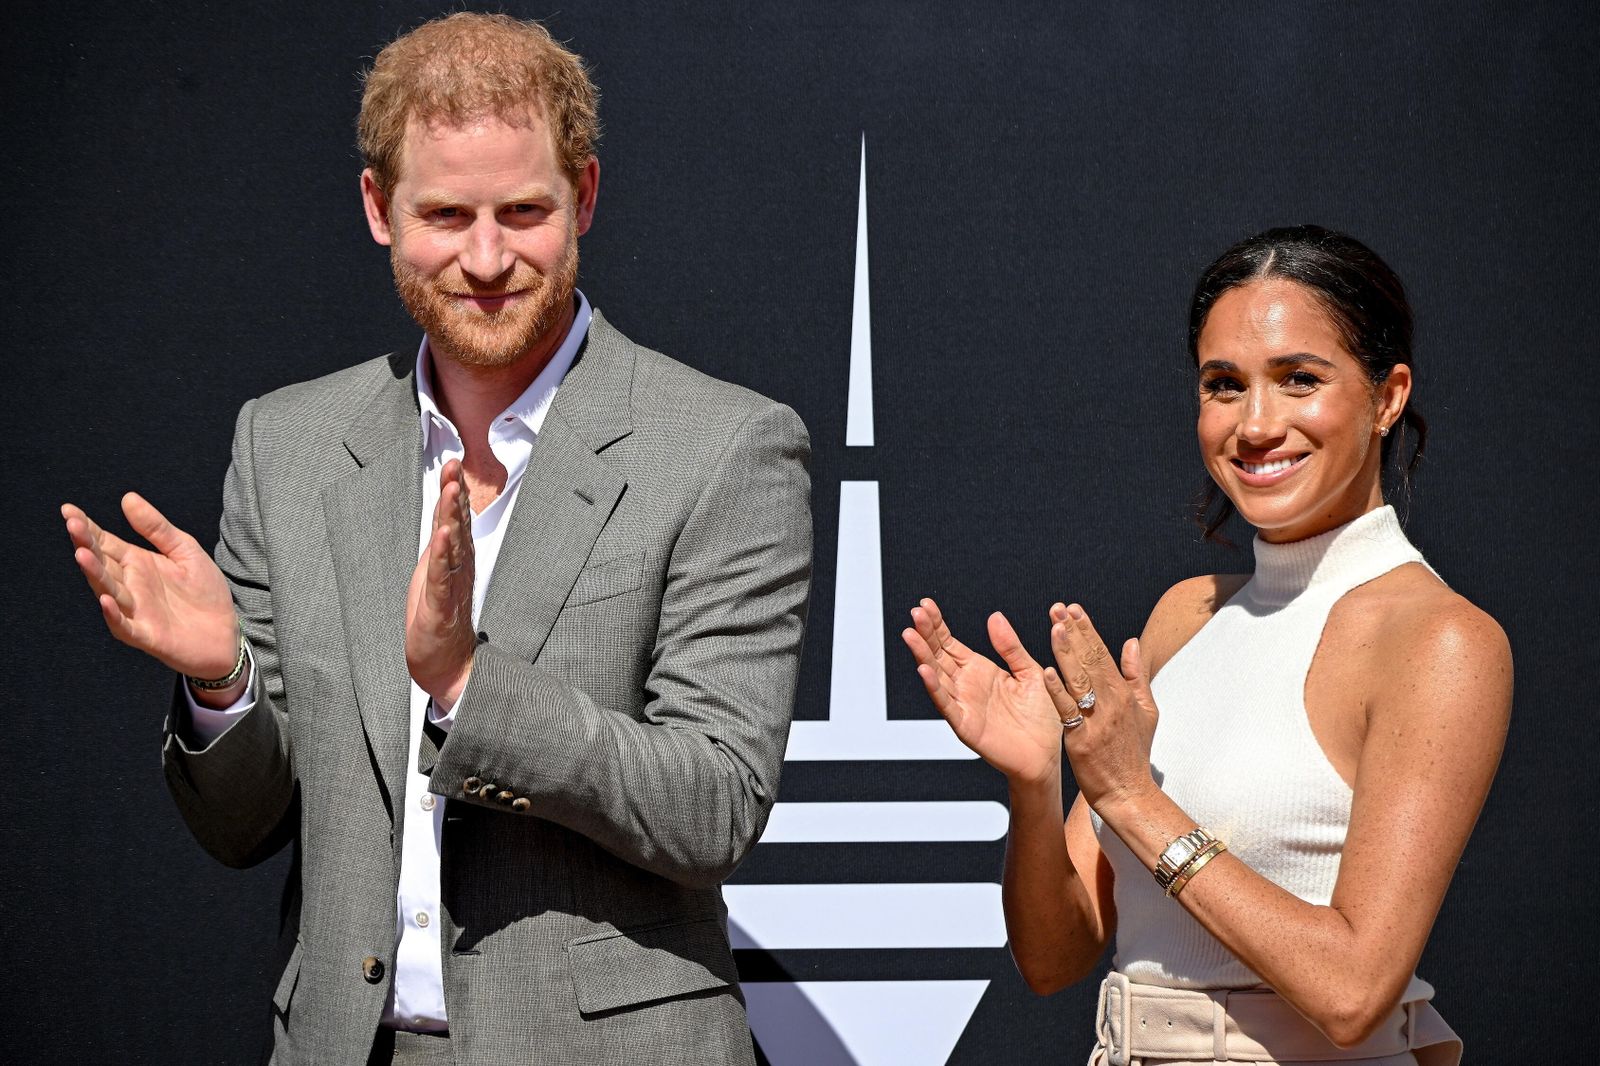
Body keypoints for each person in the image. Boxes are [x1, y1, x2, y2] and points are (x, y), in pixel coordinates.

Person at [60, 13, 811, 1066]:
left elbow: (715, 803)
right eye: (447, 213)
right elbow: (243, 827)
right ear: (379, 208)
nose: (488, 257)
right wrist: (222, 682)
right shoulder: (288, 444)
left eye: (525, 211)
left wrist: (468, 683)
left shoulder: (725, 446)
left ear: (584, 196)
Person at [903, 225, 1509, 1066]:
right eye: (1224, 385)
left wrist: (1132, 799)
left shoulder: (1440, 639)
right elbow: (1055, 959)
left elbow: (1352, 991)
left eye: (1300, 380)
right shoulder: (1185, 616)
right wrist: (1038, 785)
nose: (1257, 425)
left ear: (1387, 395)